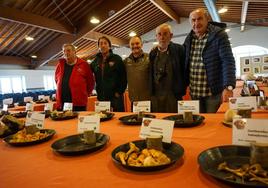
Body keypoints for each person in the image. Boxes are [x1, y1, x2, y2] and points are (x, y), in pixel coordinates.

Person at [184, 8, 236, 113]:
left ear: (207, 19)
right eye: (193, 20)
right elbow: (184, 61)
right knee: (197, 124)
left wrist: (228, 87)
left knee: (213, 124)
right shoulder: (189, 39)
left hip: (213, 93)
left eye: (199, 19)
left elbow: (228, 61)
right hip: (195, 93)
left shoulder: (219, 35)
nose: (196, 23)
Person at [149, 23, 186, 113]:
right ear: (156, 36)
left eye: (165, 33)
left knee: (174, 120)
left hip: (173, 94)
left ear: (171, 35)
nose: (162, 37)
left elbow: (184, 69)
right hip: (157, 94)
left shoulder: (179, 50)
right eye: (159, 34)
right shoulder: (153, 53)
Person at [91, 36, 127, 112]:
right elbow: (88, 73)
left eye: (105, 43)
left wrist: (119, 93)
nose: (103, 45)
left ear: (109, 46)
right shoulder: (95, 61)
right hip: (101, 98)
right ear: (98, 47)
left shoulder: (117, 59)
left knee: (117, 121)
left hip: (115, 98)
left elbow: (124, 77)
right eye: (101, 44)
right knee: (103, 120)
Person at [55, 44, 95, 111]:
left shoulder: (84, 65)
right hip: (63, 103)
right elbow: (56, 80)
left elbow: (91, 82)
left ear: (74, 52)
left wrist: (85, 94)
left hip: (78, 103)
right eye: (64, 51)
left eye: (68, 50)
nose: (66, 53)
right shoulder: (60, 65)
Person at [124, 36, 151, 103]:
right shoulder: (126, 62)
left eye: (137, 43)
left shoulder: (149, 58)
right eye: (132, 44)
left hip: (149, 100)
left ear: (141, 44)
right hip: (134, 100)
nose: (135, 46)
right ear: (129, 46)